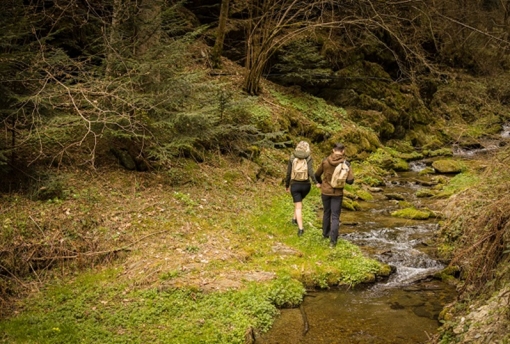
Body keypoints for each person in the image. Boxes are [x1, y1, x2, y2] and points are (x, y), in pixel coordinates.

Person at [315, 143, 354, 248]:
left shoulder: (325, 161)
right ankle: (333, 241)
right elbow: (350, 181)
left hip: (325, 191)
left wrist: (321, 183)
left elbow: (316, 175)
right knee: (335, 216)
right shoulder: (346, 164)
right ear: (343, 151)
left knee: (326, 212)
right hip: (337, 193)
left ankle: (325, 234)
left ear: (333, 150)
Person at [285, 141, 320, 237]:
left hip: (295, 185)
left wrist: (287, 185)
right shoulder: (308, 157)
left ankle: (300, 229)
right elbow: (311, 171)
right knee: (298, 203)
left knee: (298, 206)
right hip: (306, 186)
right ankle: (294, 219)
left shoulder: (292, 158)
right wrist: (316, 182)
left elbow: (288, 173)